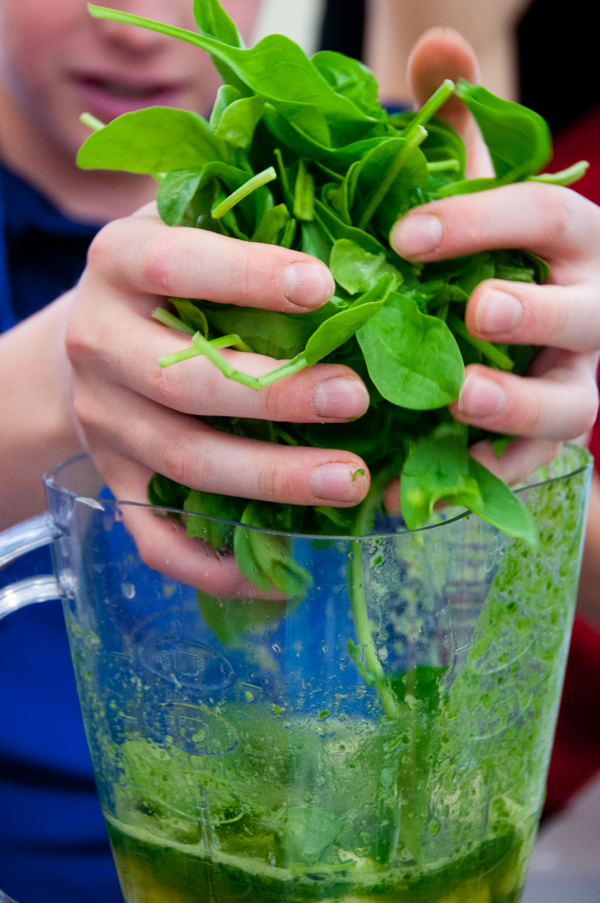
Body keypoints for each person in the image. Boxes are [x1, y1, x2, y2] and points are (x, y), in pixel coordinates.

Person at [2, 1, 600, 901]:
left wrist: (523, 426)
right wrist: (49, 388)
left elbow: (505, 584)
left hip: (386, 844)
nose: (136, 27)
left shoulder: (395, 184)